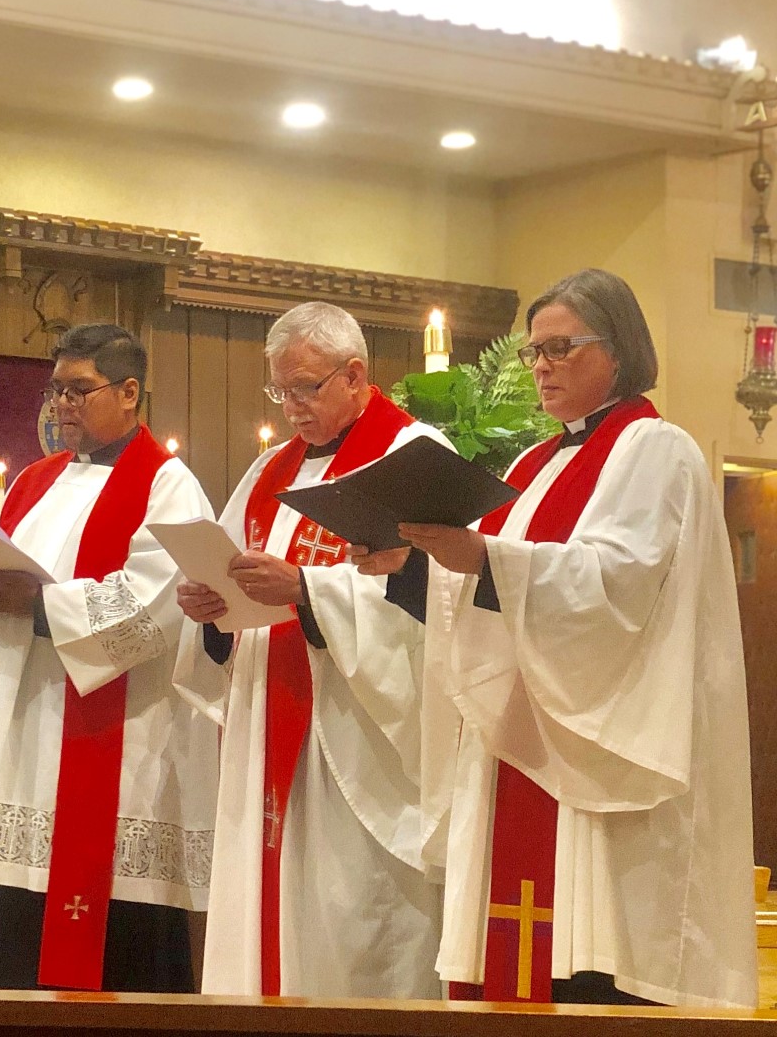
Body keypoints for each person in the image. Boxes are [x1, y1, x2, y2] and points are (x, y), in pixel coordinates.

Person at [389, 269, 755, 1006]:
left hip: (596, 752)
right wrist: (409, 566)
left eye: (562, 347)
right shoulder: (530, 464)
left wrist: (484, 559)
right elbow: (485, 586)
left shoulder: (659, 450)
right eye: (533, 352)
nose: (542, 366)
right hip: (521, 748)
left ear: (618, 351)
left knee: (588, 968)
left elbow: (618, 585)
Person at [172, 302, 447, 999]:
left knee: (351, 923)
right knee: (270, 919)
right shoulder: (271, 471)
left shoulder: (413, 457)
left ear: (356, 375)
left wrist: (305, 588)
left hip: (359, 739)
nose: (290, 406)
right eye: (280, 391)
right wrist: (212, 611)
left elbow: (437, 600)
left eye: (305, 388)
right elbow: (234, 568)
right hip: (270, 723)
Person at [0, 323, 218, 993]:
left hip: (115, 748)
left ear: (129, 391)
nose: (62, 406)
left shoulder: (167, 485)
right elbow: (4, 577)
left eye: (79, 390)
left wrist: (36, 604)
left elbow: (152, 606)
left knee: (112, 962)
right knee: (14, 946)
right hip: (21, 750)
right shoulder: (32, 483)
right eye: (56, 391)